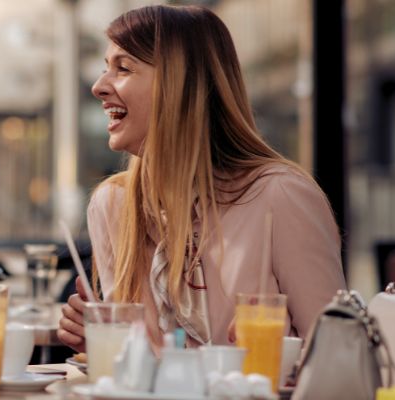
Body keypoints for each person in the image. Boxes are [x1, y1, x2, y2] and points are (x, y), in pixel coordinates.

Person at [57, 4, 346, 351]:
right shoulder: (113, 207)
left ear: (179, 84)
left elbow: (338, 357)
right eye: (106, 68)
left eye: (124, 68)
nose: (99, 87)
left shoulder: (281, 196)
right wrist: (108, 345)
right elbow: (142, 362)